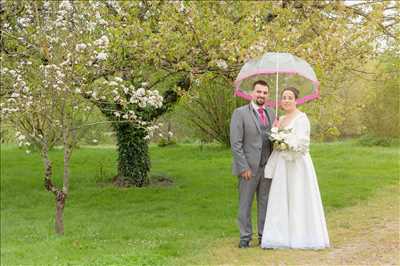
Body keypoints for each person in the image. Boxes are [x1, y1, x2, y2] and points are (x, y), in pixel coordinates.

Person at [261, 87, 330, 249]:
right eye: (284, 97)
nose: (286, 100)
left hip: (297, 164)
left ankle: (302, 236)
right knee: (282, 197)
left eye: (289, 97)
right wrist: (276, 133)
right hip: (282, 165)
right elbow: (275, 140)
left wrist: (286, 142)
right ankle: (280, 236)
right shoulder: (281, 118)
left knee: (298, 196)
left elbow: (303, 144)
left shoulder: (301, 118)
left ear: (296, 100)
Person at [230, 80, 275, 248]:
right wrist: (243, 167)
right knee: (245, 203)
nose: (261, 95)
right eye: (259, 92)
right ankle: (245, 237)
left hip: (267, 166)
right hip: (248, 168)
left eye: (264, 92)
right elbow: (236, 143)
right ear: (252, 93)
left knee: (265, 202)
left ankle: (264, 236)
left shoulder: (271, 112)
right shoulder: (240, 113)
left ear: (268, 95)